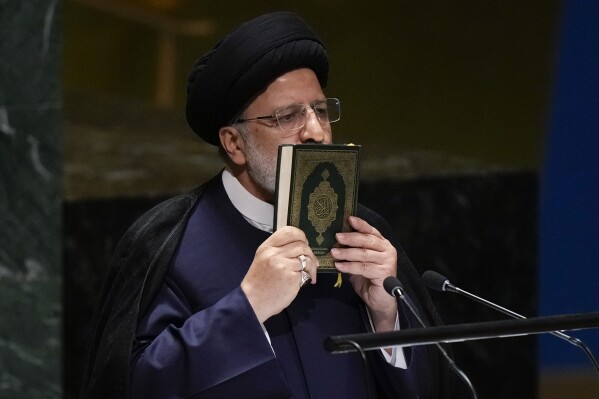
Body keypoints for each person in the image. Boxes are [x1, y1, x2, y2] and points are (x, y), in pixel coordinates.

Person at [80, 11, 450, 399]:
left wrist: (385, 318)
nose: (316, 132)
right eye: (287, 116)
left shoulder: (359, 233)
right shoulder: (170, 243)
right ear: (234, 144)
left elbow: (433, 386)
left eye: (321, 111)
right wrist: (248, 306)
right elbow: (135, 387)